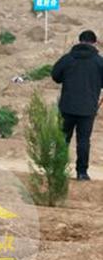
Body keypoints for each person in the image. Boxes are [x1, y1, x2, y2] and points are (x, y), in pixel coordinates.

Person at [52, 30, 103, 181]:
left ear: (79, 40)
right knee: (83, 141)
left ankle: (58, 170)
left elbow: (55, 76)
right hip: (88, 108)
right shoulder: (99, 61)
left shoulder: (67, 58)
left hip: (67, 106)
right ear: (94, 42)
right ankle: (82, 173)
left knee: (63, 139)